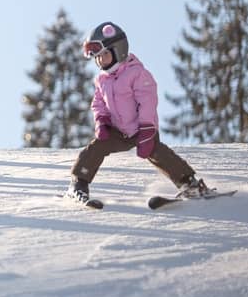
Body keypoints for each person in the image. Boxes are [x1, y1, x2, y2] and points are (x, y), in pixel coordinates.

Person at [68, 21, 211, 202]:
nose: (100, 61)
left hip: (141, 129)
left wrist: (147, 128)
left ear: (118, 50)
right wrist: (101, 120)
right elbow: (98, 103)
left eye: (104, 55)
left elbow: (147, 102)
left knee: (157, 152)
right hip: (117, 131)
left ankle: (189, 183)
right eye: (97, 58)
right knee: (95, 148)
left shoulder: (136, 74)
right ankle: (78, 185)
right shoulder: (102, 80)